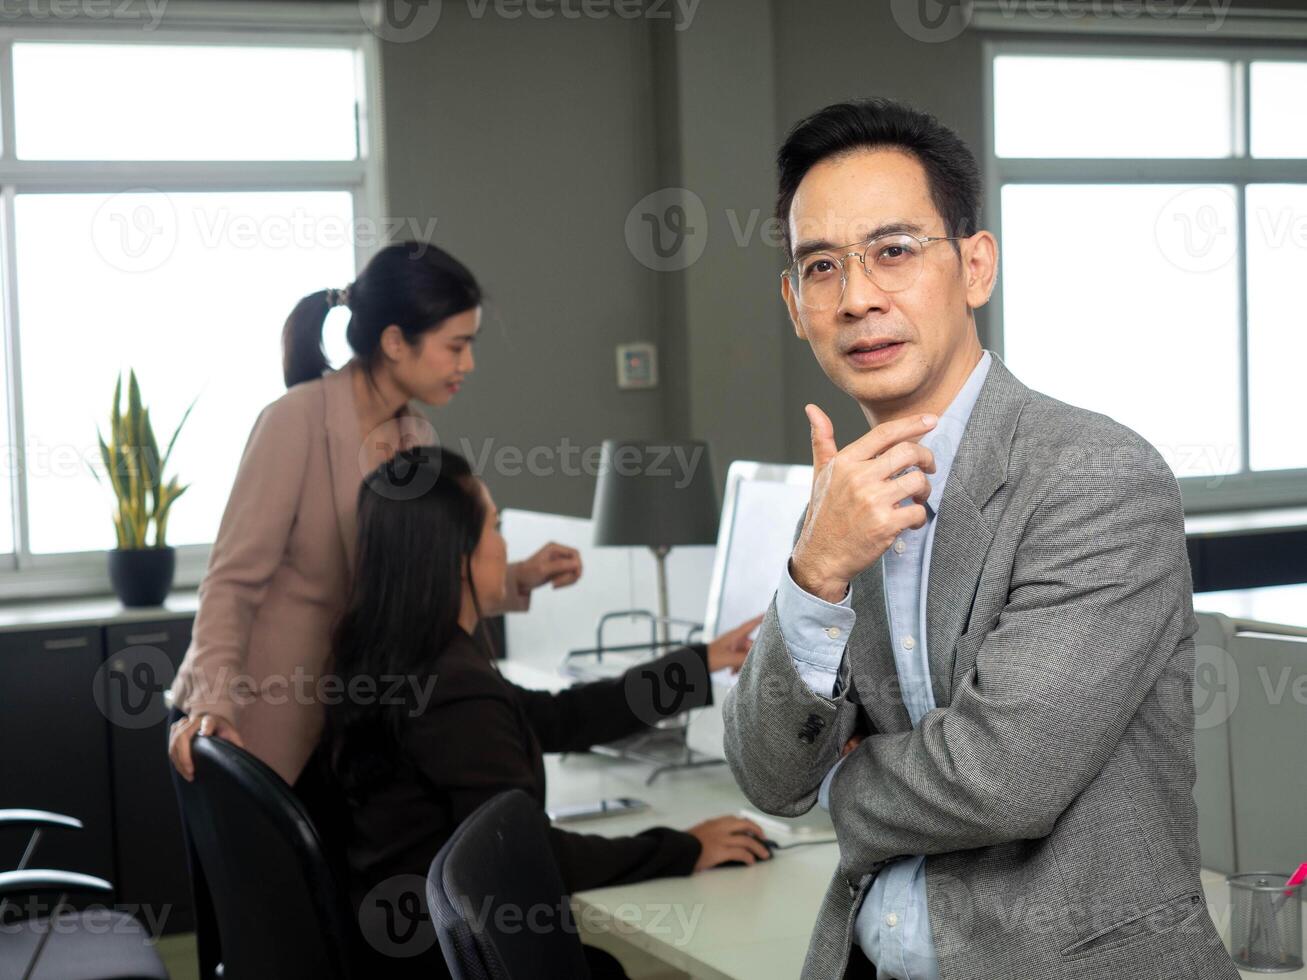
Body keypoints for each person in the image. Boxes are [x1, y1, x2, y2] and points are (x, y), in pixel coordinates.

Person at [722, 98, 1240, 980]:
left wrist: (842, 780)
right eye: (819, 267)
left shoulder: (1096, 477)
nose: (855, 299)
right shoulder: (844, 501)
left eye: (892, 251)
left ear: (973, 266)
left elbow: (1003, 776)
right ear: (793, 303)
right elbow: (770, 779)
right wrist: (815, 572)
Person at [323, 447, 772, 977]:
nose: (504, 544)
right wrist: (683, 847)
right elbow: (526, 858)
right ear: (456, 555)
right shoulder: (452, 688)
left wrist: (697, 665)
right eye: (493, 526)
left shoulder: (396, 656)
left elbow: (561, 717)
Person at [168, 241, 583, 789]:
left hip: (344, 729)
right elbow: (230, 583)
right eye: (455, 346)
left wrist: (517, 579)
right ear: (394, 342)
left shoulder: (415, 438)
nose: (468, 364)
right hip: (250, 724)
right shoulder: (295, 422)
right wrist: (215, 703)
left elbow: (411, 578)